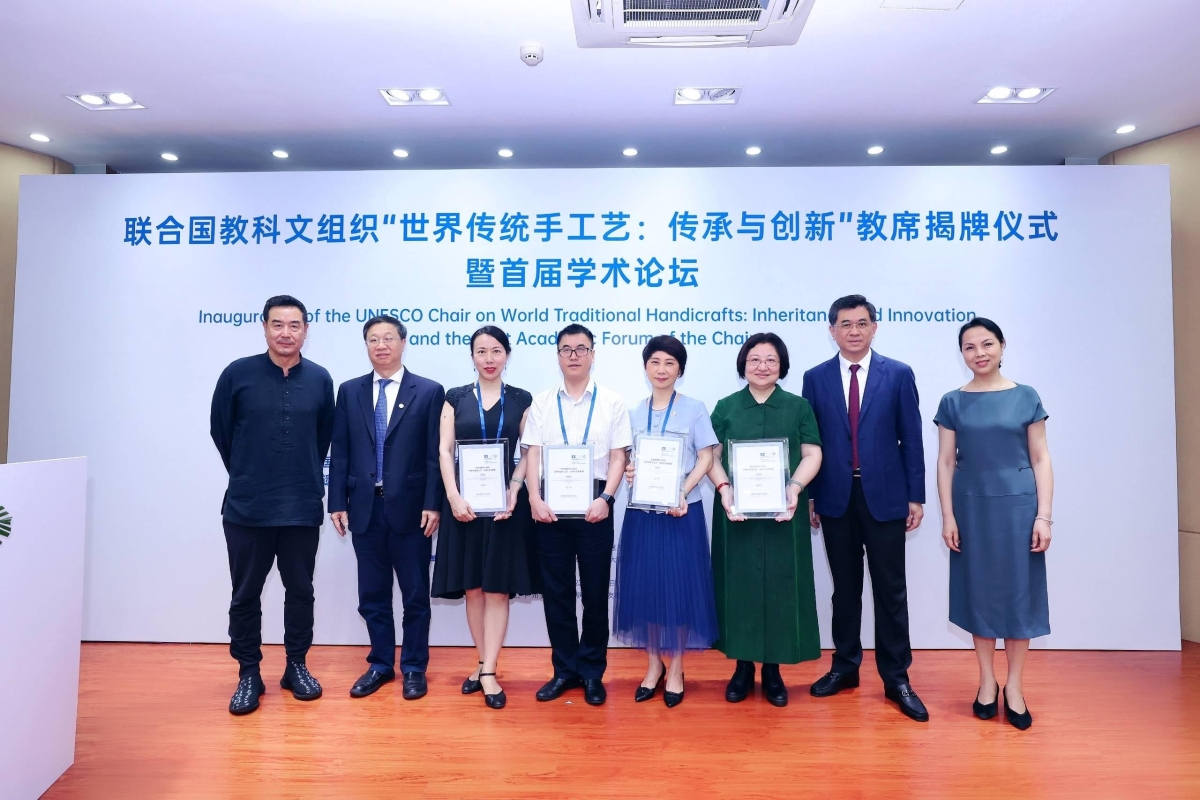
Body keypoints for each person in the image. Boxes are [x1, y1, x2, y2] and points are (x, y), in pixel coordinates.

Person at [801, 295, 929, 722]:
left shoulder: (898, 374)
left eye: (861, 323)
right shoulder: (815, 378)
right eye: (845, 324)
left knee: (891, 590)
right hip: (835, 496)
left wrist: (915, 495)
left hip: (886, 496)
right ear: (832, 330)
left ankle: (896, 678)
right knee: (845, 589)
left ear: (875, 327)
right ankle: (845, 667)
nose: (853, 331)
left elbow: (912, 438)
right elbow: (810, 443)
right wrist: (812, 495)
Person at [210, 295, 334, 715]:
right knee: (245, 594)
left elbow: (322, 438)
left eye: (294, 325)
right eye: (277, 324)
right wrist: (250, 473)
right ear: (264, 327)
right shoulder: (237, 374)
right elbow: (221, 431)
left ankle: (296, 665)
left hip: (301, 506)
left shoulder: (320, 379)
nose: (285, 333)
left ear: (306, 330)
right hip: (247, 508)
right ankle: (249, 673)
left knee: (301, 592)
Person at [934, 318, 1053, 731]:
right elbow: (945, 462)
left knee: (1020, 595)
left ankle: (1015, 686)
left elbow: (1041, 458)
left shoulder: (1026, 396)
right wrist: (948, 516)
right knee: (979, 595)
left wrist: (1043, 516)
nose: (979, 353)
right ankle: (987, 682)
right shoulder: (952, 402)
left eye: (987, 344)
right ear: (962, 354)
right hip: (971, 510)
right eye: (970, 347)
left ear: (1002, 346)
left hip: (1020, 510)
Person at [328, 315, 445, 701]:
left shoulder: (428, 391)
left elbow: (435, 454)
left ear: (403, 343)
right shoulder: (350, 391)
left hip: (411, 510)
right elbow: (340, 450)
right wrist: (337, 502)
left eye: (389, 338)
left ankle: (413, 667)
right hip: (364, 509)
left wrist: (433, 503)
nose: (381, 345)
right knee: (372, 595)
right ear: (366, 345)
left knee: (415, 595)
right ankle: (380, 663)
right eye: (373, 339)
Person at [706, 332, 823, 707]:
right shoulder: (726, 407)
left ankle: (773, 670)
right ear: (743, 364)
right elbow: (711, 457)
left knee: (781, 587)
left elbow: (812, 453)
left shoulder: (798, 406)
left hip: (783, 513)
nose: (762, 366)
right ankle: (742, 667)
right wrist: (724, 488)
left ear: (782, 366)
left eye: (771, 359)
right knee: (738, 587)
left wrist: (795, 487)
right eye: (754, 359)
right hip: (735, 514)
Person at [521, 324, 632, 706]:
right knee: (557, 593)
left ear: (593, 354)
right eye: (566, 349)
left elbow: (618, 457)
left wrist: (607, 498)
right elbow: (533, 453)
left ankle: (592, 672)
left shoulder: (612, 402)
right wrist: (534, 497)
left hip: (595, 506)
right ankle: (564, 670)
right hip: (550, 507)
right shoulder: (542, 402)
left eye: (581, 348)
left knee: (596, 594)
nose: (573, 355)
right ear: (558, 356)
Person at [431, 326, 538, 710]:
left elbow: (530, 450)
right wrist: (453, 496)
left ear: (507, 355)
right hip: (465, 506)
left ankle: (489, 671)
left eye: (496, 351)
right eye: (481, 351)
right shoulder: (455, 398)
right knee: (473, 589)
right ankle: (482, 661)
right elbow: (444, 451)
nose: (489, 359)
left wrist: (515, 487)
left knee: (496, 588)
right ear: (472, 356)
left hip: (504, 507)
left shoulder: (522, 399)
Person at [613, 336, 719, 708]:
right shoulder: (632, 412)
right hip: (642, 516)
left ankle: (676, 669)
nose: (661, 369)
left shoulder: (694, 409)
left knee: (680, 590)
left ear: (680, 370)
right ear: (645, 367)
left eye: (670, 363)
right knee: (646, 589)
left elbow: (706, 458)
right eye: (655, 362)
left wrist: (681, 492)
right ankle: (653, 665)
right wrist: (630, 470)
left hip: (682, 513)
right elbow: (626, 460)